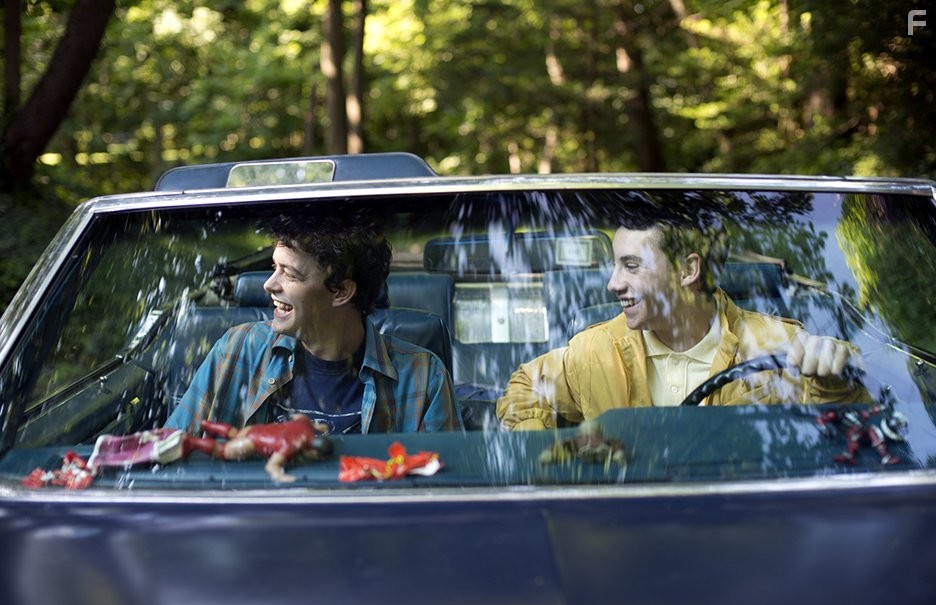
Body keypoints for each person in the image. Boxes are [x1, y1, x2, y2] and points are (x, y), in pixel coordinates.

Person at [496, 214, 871, 430]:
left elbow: (849, 427)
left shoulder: (778, 344)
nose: (613, 284)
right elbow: (525, 388)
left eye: (631, 266)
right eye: (615, 266)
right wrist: (544, 462)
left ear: (688, 270)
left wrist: (835, 381)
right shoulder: (593, 350)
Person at [167, 211, 463, 434]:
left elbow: (449, 487)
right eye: (274, 267)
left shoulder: (425, 376)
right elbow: (169, 450)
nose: (269, 284)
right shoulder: (236, 349)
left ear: (341, 291)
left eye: (290, 274)